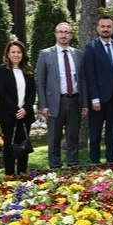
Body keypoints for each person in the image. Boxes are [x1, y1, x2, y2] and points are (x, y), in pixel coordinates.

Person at [36, 22, 87, 168]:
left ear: (71, 35)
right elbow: (40, 81)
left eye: (67, 32)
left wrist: (84, 104)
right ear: (55, 34)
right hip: (54, 102)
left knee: (72, 137)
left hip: (74, 101)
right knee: (54, 138)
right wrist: (43, 105)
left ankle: (72, 165)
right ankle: (55, 167)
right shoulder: (45, 54)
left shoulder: (78, 54)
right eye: (60, 32)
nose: (63, 35)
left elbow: (83, 81)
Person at [84, 14, 113, 163]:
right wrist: (94, 98)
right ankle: (95, 163)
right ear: (97, 28)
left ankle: (110, 161)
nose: (105, 29)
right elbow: (90, 74)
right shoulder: (91, 47)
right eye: (103, 26)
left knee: (112, 133)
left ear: (112, 28)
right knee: (95, 134)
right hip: (98, 100)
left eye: (108, 26)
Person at [0, 40, 37, 178]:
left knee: (23, 144)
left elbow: (32, 93)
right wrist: (15, 110)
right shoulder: (1, 70)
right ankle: (9, 173)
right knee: (9, 144)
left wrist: (25, 109)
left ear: (23, 54)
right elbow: (2, 92)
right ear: (8, 53)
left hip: (25, 114)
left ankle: (23, 172)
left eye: (19, 52)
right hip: (8, 114)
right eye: (13, 52)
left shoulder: (28, 71)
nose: (16, 54)